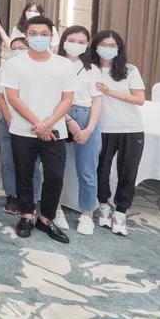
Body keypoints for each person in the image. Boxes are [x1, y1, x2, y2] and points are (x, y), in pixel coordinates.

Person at [0, 16, 76, 243]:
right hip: (23, 130)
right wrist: (38, 123)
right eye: (33, 33)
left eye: (44, 34)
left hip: (55, 131)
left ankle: (46, 218)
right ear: (26, 36)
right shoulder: (15, 64)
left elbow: (67, 98)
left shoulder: (64, 65)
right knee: (24, 174)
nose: (39, 38)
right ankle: (26, 215)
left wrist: (48, 123)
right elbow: (13, 97)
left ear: (52, 36)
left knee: (55, 176)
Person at [90, 30, 146, 237]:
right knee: (101, 169)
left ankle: (121, 211)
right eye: (104, 45)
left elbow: (140, 99)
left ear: (119, 48)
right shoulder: (90, 69)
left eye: (112, 45)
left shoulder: (129, 70)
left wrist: (110, 92)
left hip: (131, 128)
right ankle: (103, 205)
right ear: (95, 46)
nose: (108, 49)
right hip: (103, 128)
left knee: (128, 171)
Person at [57, 26, 104, 235]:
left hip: (86, 116)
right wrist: (68, 120)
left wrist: (89, 128)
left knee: (87, 171)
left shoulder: (92, 69)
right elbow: (51, 96)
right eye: (72, 40)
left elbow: (97, 101)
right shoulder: (54, 64)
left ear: (87, 45)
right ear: (63, 41)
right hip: (59, 115)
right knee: (55, 169)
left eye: (81, 42)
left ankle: (87, 214)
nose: (76, 44)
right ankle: (55, 208)